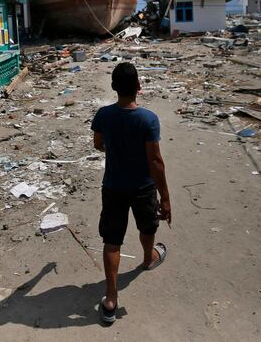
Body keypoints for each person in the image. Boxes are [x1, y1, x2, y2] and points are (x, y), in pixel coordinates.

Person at [91, 62, 172, 324]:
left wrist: (118, 150)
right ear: (139, 86)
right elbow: (156, 161)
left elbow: (98, 144)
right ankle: (148, 258)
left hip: (113, 186)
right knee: (147, 226)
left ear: (114, 87)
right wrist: (166, 198)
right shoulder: (148, 119)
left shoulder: (103, 115)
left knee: (112, 241)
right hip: (143, 187)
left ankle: (111, 299)